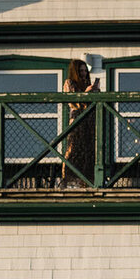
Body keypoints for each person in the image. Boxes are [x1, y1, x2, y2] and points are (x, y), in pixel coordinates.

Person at [61, 58, 99, 187]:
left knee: (89, 149)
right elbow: (73, 101)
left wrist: (95, 91)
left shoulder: (86, 82)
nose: (83, 73)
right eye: (81, 71)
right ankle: (68, 178)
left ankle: (88, 179)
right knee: (74, 148)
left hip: (90, 119)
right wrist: (86, 93)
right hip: (77, 118)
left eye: (85, 71)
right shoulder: (69, 83)